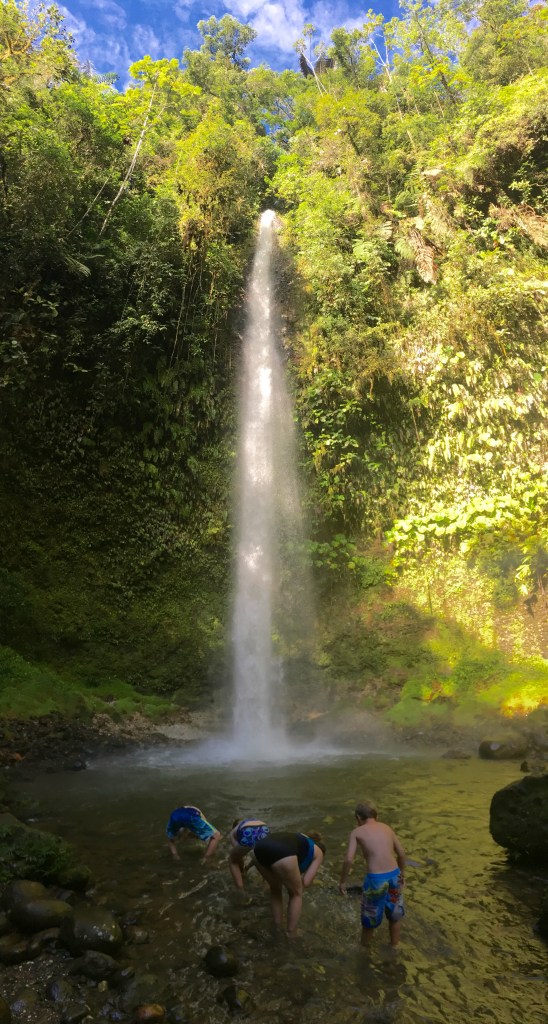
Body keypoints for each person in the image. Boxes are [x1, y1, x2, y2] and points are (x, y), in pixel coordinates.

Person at [339, 799, 405, 947]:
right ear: (377, 815)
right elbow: (401, 854)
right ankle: (395, 946)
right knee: (395, 917)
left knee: (369, 922)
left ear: (357, 817)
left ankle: (365, 952)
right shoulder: (387, 828)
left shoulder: (357, 832)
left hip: (376, 880)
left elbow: (349, 859)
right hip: (395, 875)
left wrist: (343, 880)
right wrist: (402, 875)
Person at [253, 830, 326, 937]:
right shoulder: (319, 852)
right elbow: (306, 882)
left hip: (257, 850)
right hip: (283, 852)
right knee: (296, 894)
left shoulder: (300, 839)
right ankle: (291, 933)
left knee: (275, 889)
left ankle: (277, 927)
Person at [228, 817, 270, 889]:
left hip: (247, 831)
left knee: (232, 860)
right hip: (264, 829)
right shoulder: (253, 821)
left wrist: (242, 870)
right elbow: (255, 857)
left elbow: (239, 858)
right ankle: (266, 889)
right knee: (264, 863)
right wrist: (248, 867)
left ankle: (240, 889)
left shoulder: (233, 833)